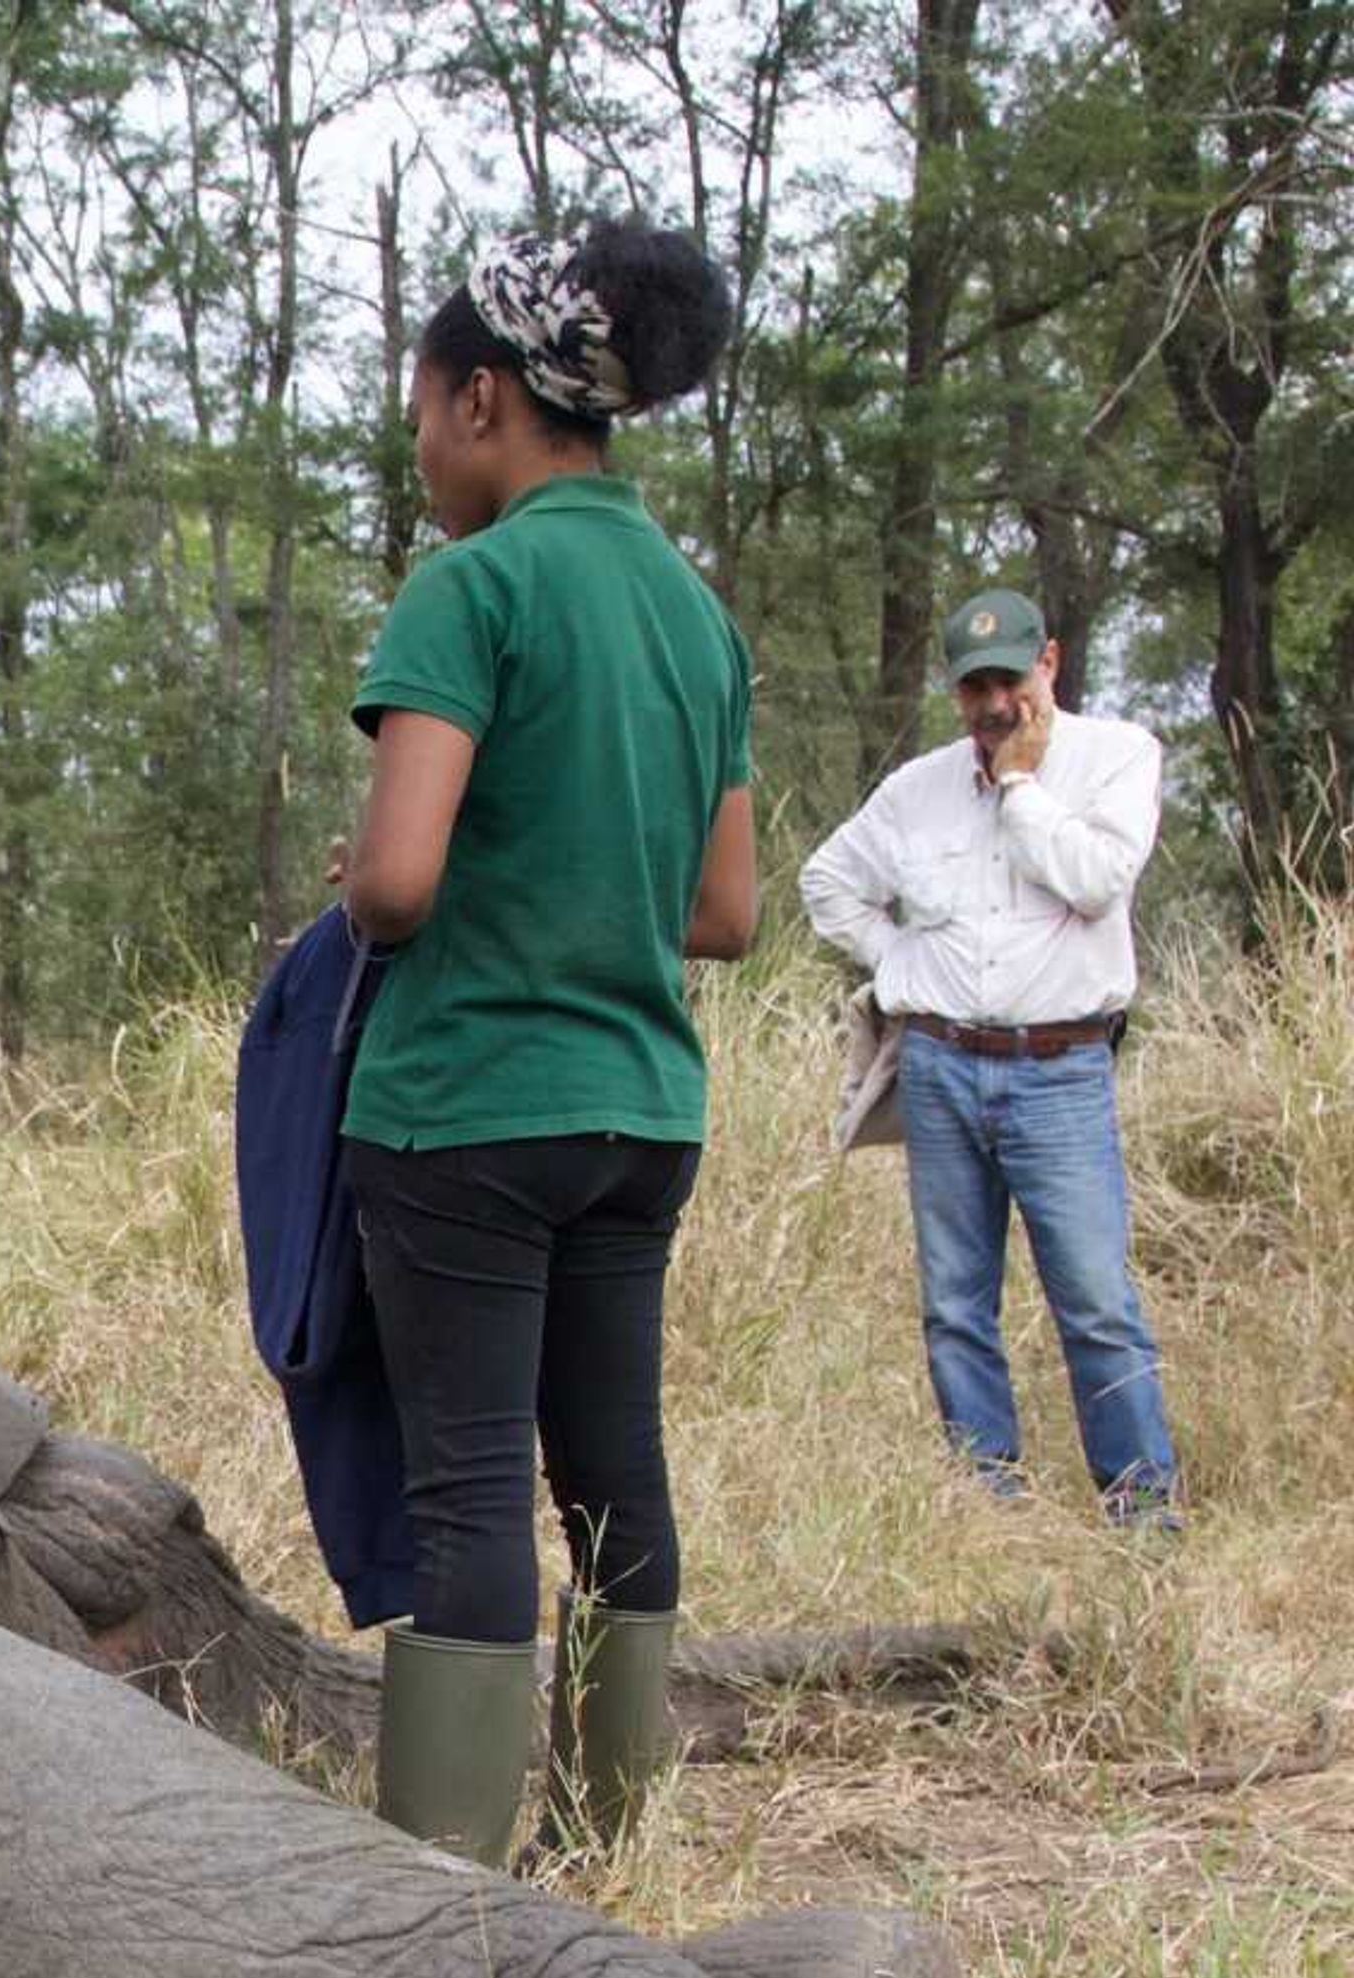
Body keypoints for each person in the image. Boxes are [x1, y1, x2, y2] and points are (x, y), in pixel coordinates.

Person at [334, 222, 757, 1865]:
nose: (425, 444)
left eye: (429, 410)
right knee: (614, 1480)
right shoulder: (695, 617)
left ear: (485, 397)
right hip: (642, 1110)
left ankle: (444, 1890)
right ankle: (608, 1850)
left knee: (465, 1494)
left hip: (466, 1110)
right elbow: (721, 912)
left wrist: (368, 884)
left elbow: (397, 883)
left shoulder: (473, 587)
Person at [799, 592, 1180, 1524]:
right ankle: (986, 1496)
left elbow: (1096, 884)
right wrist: (900, 963)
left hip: (1061, 1066)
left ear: (1048, 663)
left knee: (1093, 1296)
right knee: (957, 1300)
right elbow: (827, 883)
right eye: (973, 687)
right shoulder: (917, 789)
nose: (993, 704)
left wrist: (1017, 786)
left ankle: (1142, 1505)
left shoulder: (1116, 757)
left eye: (1008, 679)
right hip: (940, 1063)